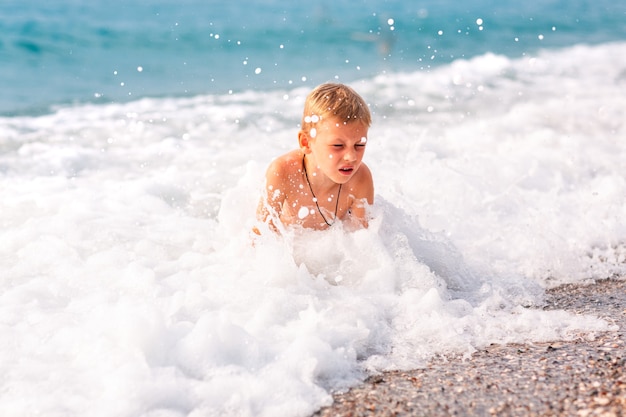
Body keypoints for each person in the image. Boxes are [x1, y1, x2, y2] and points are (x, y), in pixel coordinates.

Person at [255, 83, 374, 233]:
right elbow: (260, 238)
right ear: (306, 142)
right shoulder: (283, 172)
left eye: (359, 145)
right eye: (338, 146)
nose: (351, 157)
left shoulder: (360, 179)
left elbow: (365, 241)